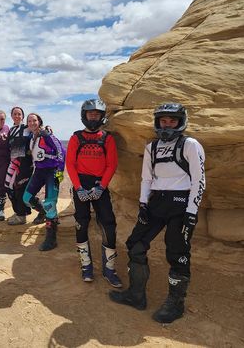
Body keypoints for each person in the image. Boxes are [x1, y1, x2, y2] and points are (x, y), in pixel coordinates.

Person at [109, 103, 206, 324]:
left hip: (181, 205)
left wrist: (191, 213)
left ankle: (176, 304)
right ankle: (136, 295)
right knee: (136, 244)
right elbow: (147, 178)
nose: (167, 124)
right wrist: (143, 204)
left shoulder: (190, 145)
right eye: (163, 120)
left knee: (177, 252)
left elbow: (199, 181)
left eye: (172, 120)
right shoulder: (151, 147)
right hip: (157, 203)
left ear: (181, 121)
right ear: (157, 122)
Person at [65, 99, 122, 288]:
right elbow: (70, 164)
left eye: (97, 115)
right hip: (81, 184)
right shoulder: (76, 137)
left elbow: (111, 164)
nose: (93, 117)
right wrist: (79, 188)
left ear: (101, 116)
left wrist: (101, 187)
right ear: (84, 115)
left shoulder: (107, 138)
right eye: (90, 114)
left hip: (99, 186)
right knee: (81, 223)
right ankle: (86, 266)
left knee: (108, 225)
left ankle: (109, 269)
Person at [23, 113, 65, 251]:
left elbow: (60, 150)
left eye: (34, 120)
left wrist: (60, 169)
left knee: (50, 204)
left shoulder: (46, 134)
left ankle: (51, 239)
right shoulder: (31, 136)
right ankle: (43, 213)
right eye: (29, 121)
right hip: (39, 171)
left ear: (39, 121)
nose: (32, 123)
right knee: (27, 198)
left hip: (51, 171)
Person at [5, 106, 46, 226]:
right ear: (12, 116)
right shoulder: (11, 129)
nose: (17, 116)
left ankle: (27, 214)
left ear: (23, 116)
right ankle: (20, 211)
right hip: (14, 163)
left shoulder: (26, 127)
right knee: (9, 187)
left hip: (25, 164)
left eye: (19, 114)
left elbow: (37, 127)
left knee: (20, 189)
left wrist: (47, 128)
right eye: (15, 114)